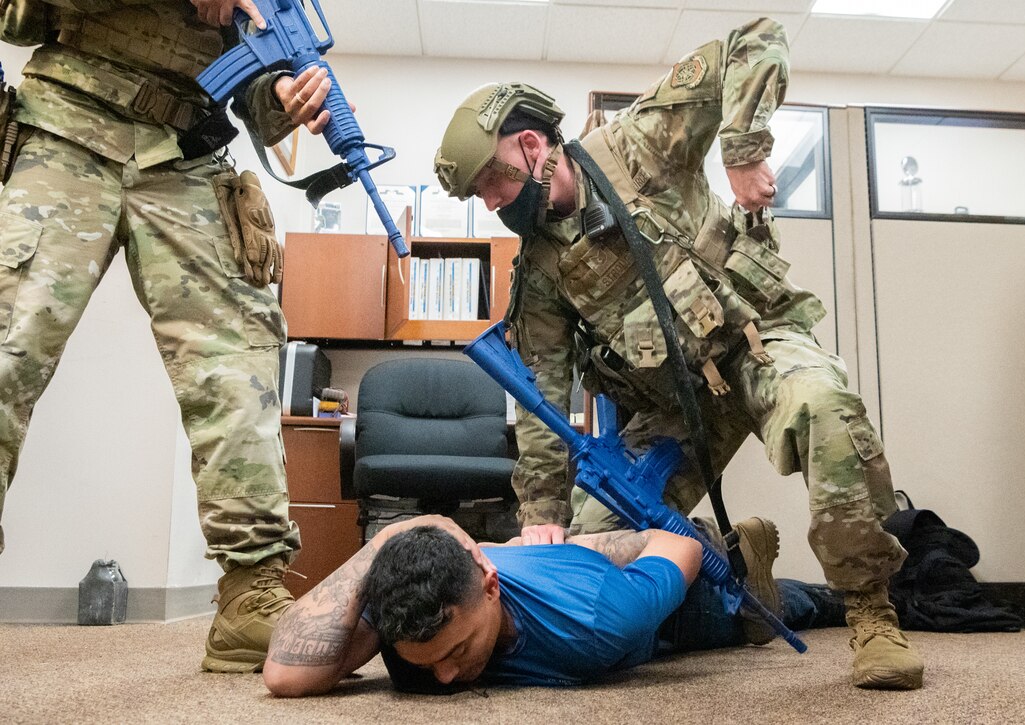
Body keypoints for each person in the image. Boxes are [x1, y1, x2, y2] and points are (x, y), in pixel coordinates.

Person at [432, 18, 922, 689]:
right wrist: (543, 516)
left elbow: (754, 40)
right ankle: (737, 575)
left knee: (824, 406)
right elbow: (541, 394)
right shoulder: (541, 269)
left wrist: (743, 149)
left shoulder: (637, 145)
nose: (490, 203)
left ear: (531, 145)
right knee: (593, 555)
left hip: (755, 346)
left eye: (492, 181)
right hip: (674, 408)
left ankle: (871, 612)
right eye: (479, 195)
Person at [0, 0, 334, 671]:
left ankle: (251, 594)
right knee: (10, 346)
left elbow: (253, 96)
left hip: (187, 152)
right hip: (67, 124)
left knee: (239, 366)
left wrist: (283, 95)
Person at [262, 513, 843, 696]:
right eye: (428, 662)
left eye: (457, 652)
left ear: (490, 587)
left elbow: (677, 544)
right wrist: (395, 534)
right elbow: (286, 676)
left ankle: (766, 576)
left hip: (687, 599)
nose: (444, 677)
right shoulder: (414, 608)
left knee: (792, 607)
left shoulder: (595, 620)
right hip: (559, 560)